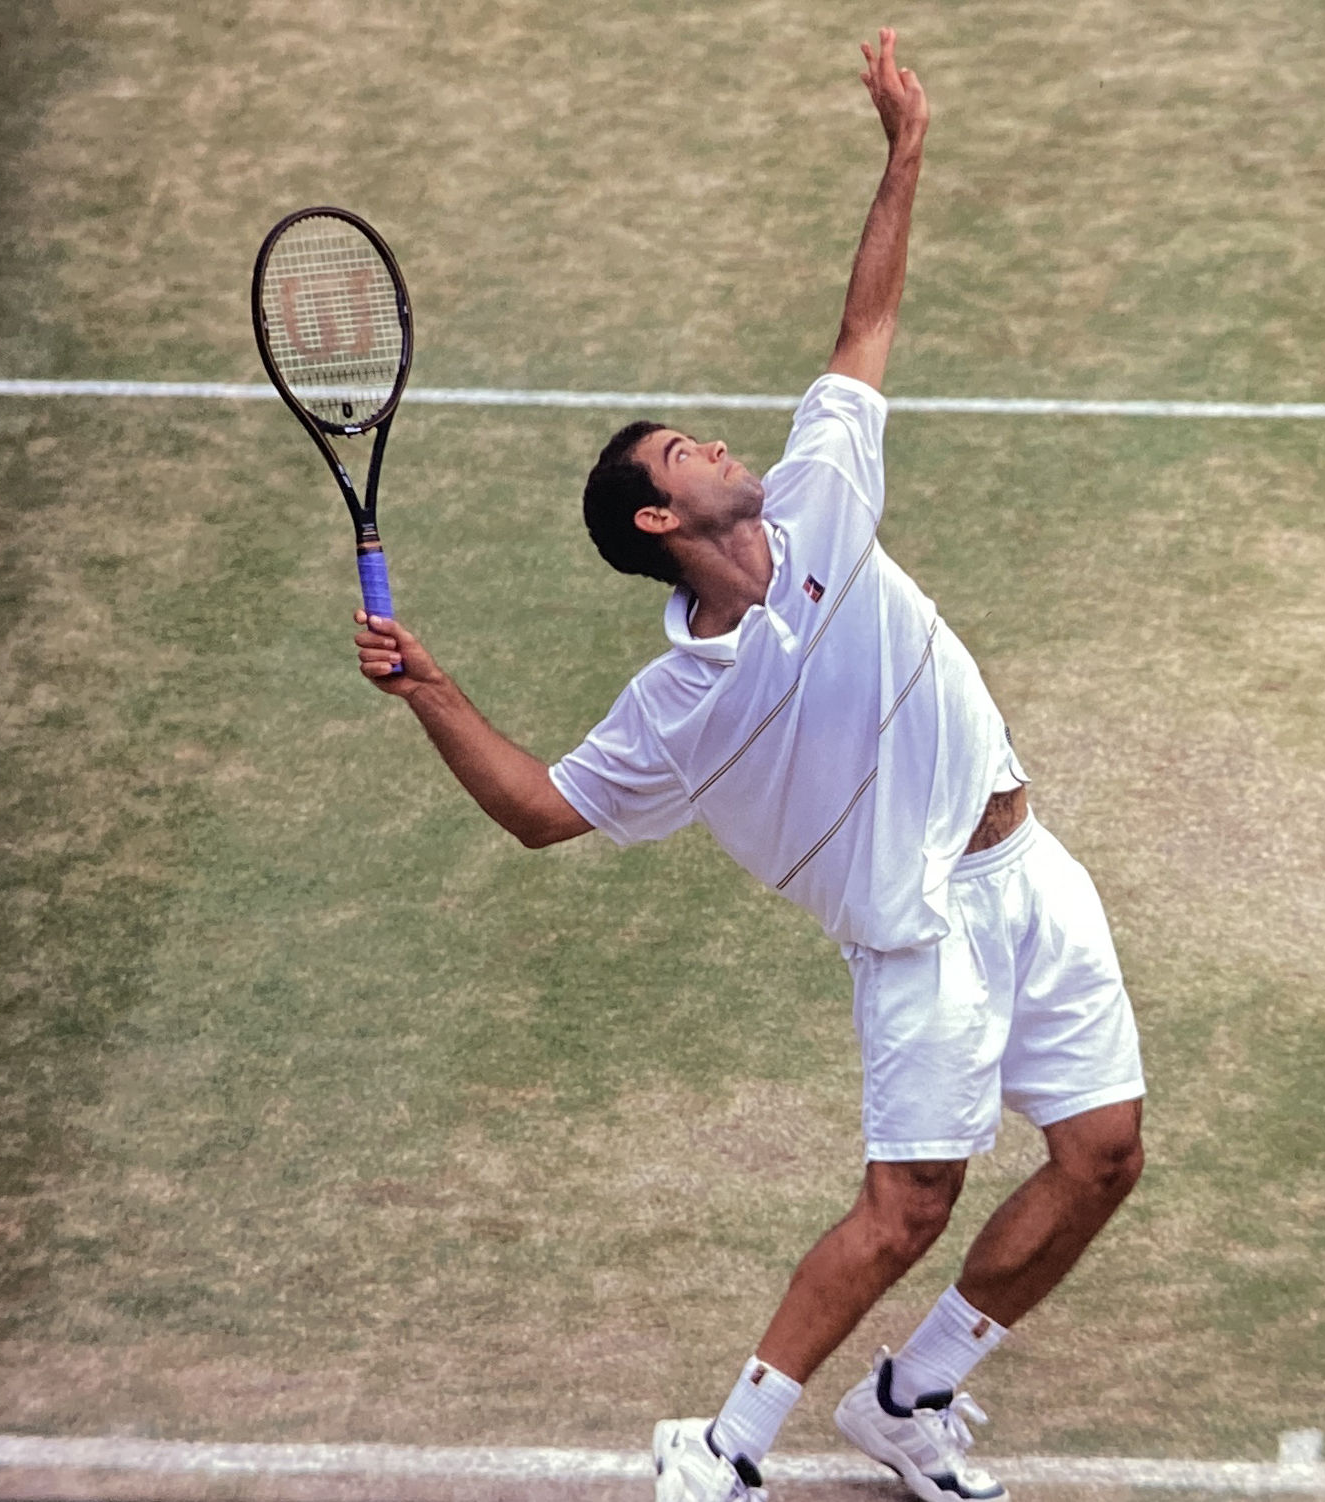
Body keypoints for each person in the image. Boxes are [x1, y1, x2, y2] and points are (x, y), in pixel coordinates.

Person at [347, 29, 1145, 1502]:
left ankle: (915, 1398)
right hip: (915, 930)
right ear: (660, 521)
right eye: (685, 451)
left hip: (1027, 869)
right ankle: (724, 1449)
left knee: (1102, 1153)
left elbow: (864, 327)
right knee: (906, 1204)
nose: (719, 446)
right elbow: (539, 811)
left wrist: (903, 156)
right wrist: (434, 690)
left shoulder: (824, 494)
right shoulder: (675, 705)